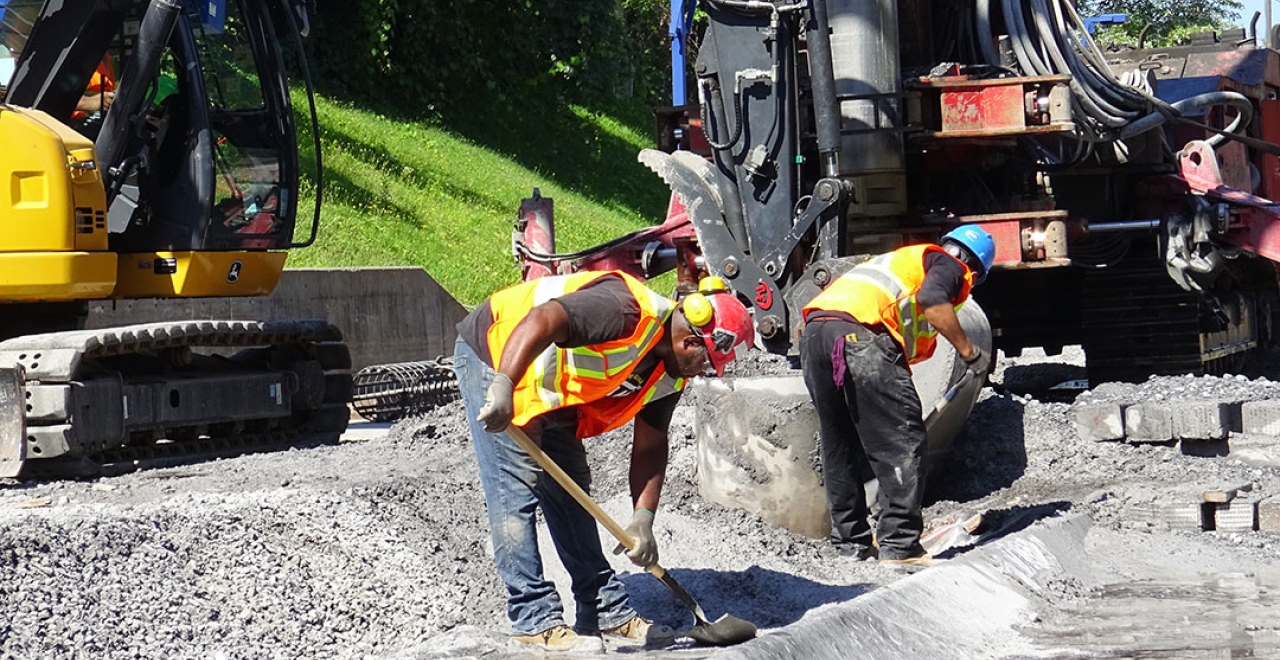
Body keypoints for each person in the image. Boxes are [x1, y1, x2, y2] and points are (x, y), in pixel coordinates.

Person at [453, 271, 755, 652]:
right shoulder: (625, 311)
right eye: (707, 364)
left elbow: (650, 445)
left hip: (553, 395)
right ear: (690, 341)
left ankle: (604, 610)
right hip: (498, 356)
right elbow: (542, 320)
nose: (704, 374)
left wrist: (643, 520)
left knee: (572, 493)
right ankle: (533, 618)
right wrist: (502, 385)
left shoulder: (669, 376)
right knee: (514, 490)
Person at [798, 225, 996, 569]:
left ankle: (851, 543)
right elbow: (933, 301)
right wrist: (969, 352)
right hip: (861, 336)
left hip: (816, 335)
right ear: (974, 271)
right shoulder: (949, 265)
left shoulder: (901, 262)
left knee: (839, 442)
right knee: (902, 439)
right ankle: (899, 544)